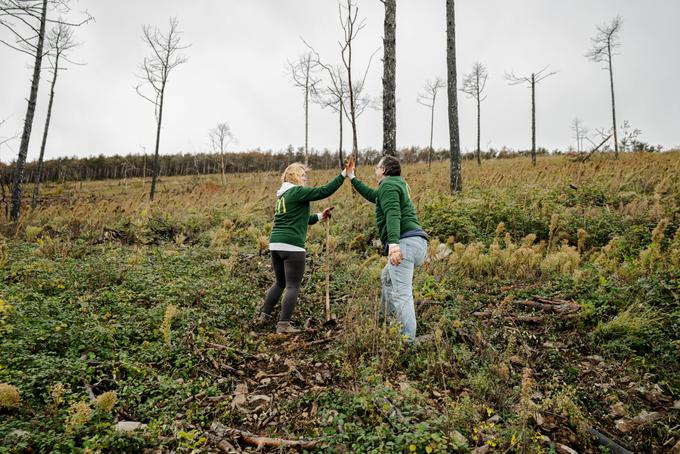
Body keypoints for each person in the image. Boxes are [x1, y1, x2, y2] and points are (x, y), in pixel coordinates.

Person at [255, 162, 348, 334]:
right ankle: (283, 325)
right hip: (292, 246)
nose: (305, 178)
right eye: (302, 175)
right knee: (292, 286)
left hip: (276, 244)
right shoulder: (297, 191)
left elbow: (301, 218)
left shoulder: (282, 196)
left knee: (280, 283)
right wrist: (343, 175)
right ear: (294, 177)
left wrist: (320, 216)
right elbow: (324, 191)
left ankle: (264, 316)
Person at [345, 155, 428, 342]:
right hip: (416, 243)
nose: (375, 170)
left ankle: (406, 343)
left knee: (401, 294)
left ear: (383, 170)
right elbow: (372, 196)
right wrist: (352, 177)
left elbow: (393, 214)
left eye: (377, 167)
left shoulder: (389, 185)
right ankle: (389, 321)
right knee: (387, 278)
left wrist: (394, 246)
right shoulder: (394, 185)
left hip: (405, 243)